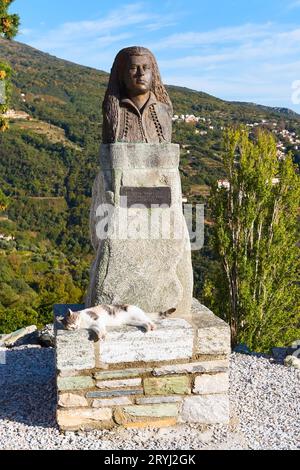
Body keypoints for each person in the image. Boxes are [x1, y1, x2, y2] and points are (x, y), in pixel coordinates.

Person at [102, 46, 173, 144]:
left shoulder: (164, 111)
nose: (141, 73)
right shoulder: (114, 112)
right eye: (133, 68)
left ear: (153, 73)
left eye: (146, 68)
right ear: (122, 74)